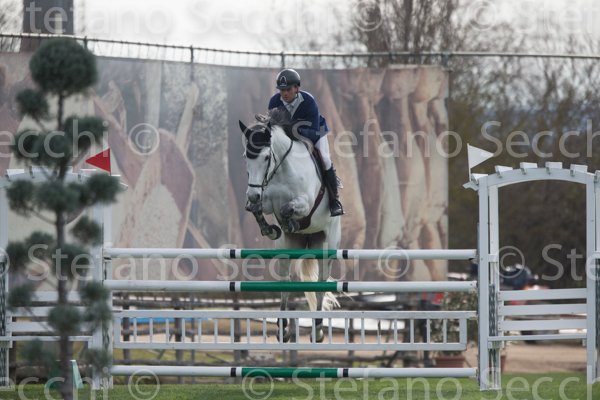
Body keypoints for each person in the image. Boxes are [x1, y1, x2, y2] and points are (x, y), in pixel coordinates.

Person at [267, 68, 344, 216]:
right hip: (289, 138)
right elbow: (273, 128)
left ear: (297, 88)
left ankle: (334, 201)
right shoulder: (274, 102)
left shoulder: (308, 101)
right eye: (282, 90)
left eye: (288, 89)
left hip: (315, 133)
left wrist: (294, 131)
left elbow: (313, 131)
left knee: (325, 159)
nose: (284, 93)